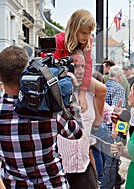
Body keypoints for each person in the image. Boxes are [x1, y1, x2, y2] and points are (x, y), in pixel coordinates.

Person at [0, 45, 82, 188]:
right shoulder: (49, 103)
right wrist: (69, 99)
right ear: (26, 72)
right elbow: (76, 132)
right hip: (53, 183)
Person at [57, 50, 99, 189]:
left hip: (84, 167)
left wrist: (114, 114)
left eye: (83, 66)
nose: (80, 71)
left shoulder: (90, 93)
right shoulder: (53, 96)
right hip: (60, 171)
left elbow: (105, 110)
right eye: (75, 66)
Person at [53, 9, 105, 117]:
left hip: (79, 75)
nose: (87, 36)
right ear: (74, 29)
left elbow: (88, 65)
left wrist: (83, 92)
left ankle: (98, 123)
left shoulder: (88, 41)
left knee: (102, 89)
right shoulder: (58, 40)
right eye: (84, 33)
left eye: (89, 33)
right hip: (61, 76)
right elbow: (53, 66)